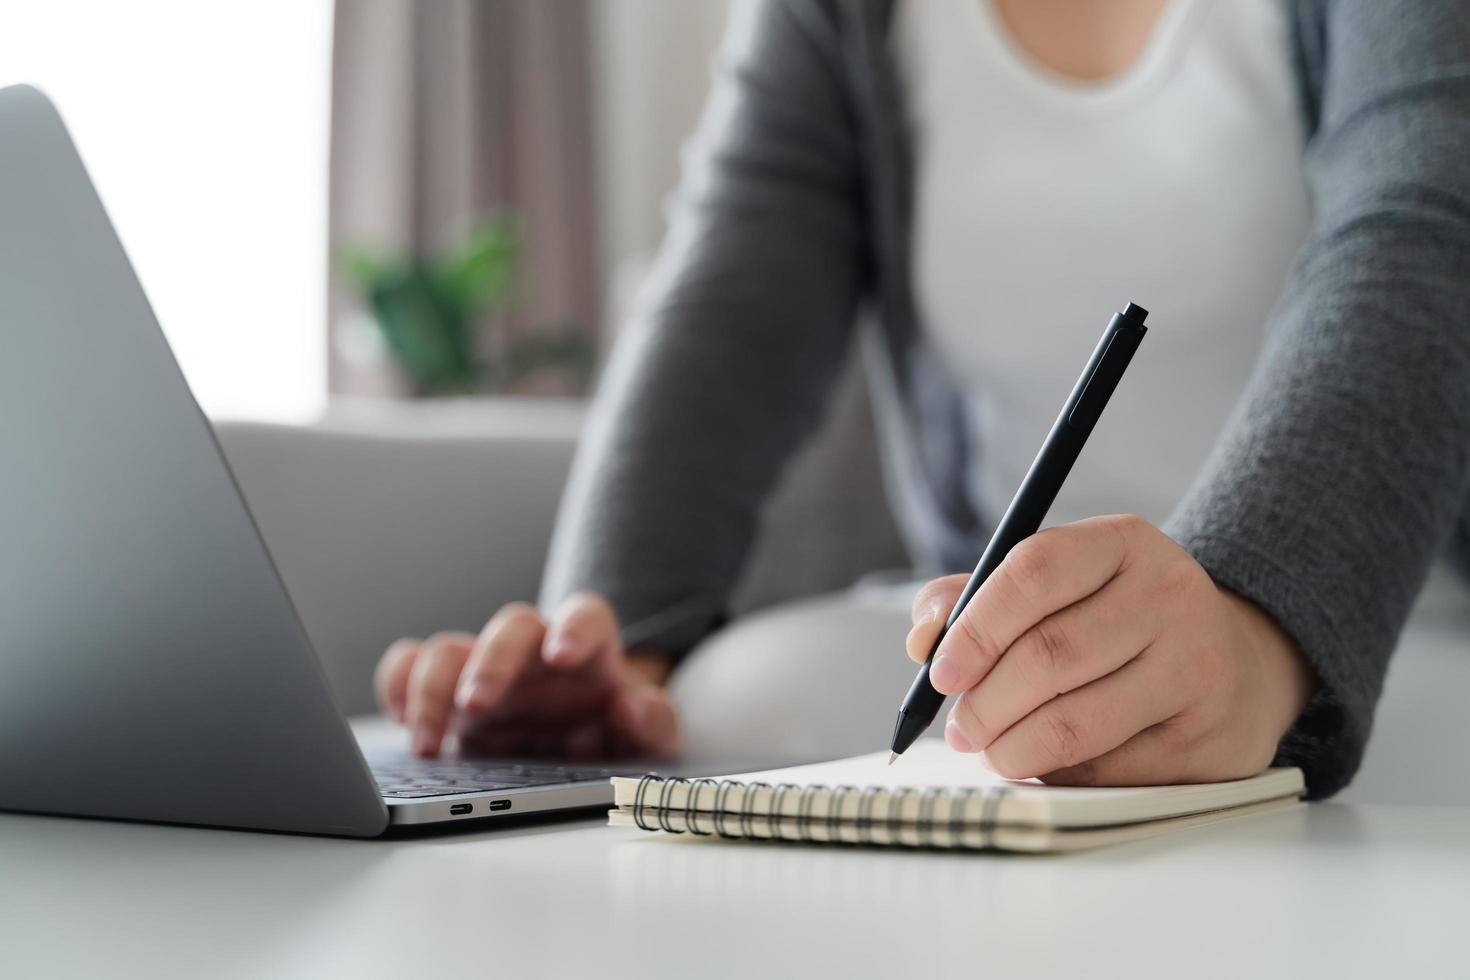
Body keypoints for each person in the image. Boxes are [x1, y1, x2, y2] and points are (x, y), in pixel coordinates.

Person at [374, 0, 1470, 798]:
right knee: (717, 706)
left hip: (1351, 630)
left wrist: (1250, 627)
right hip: (995, 648)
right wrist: (607, 655)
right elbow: (728, 307)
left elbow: (1419, 237)